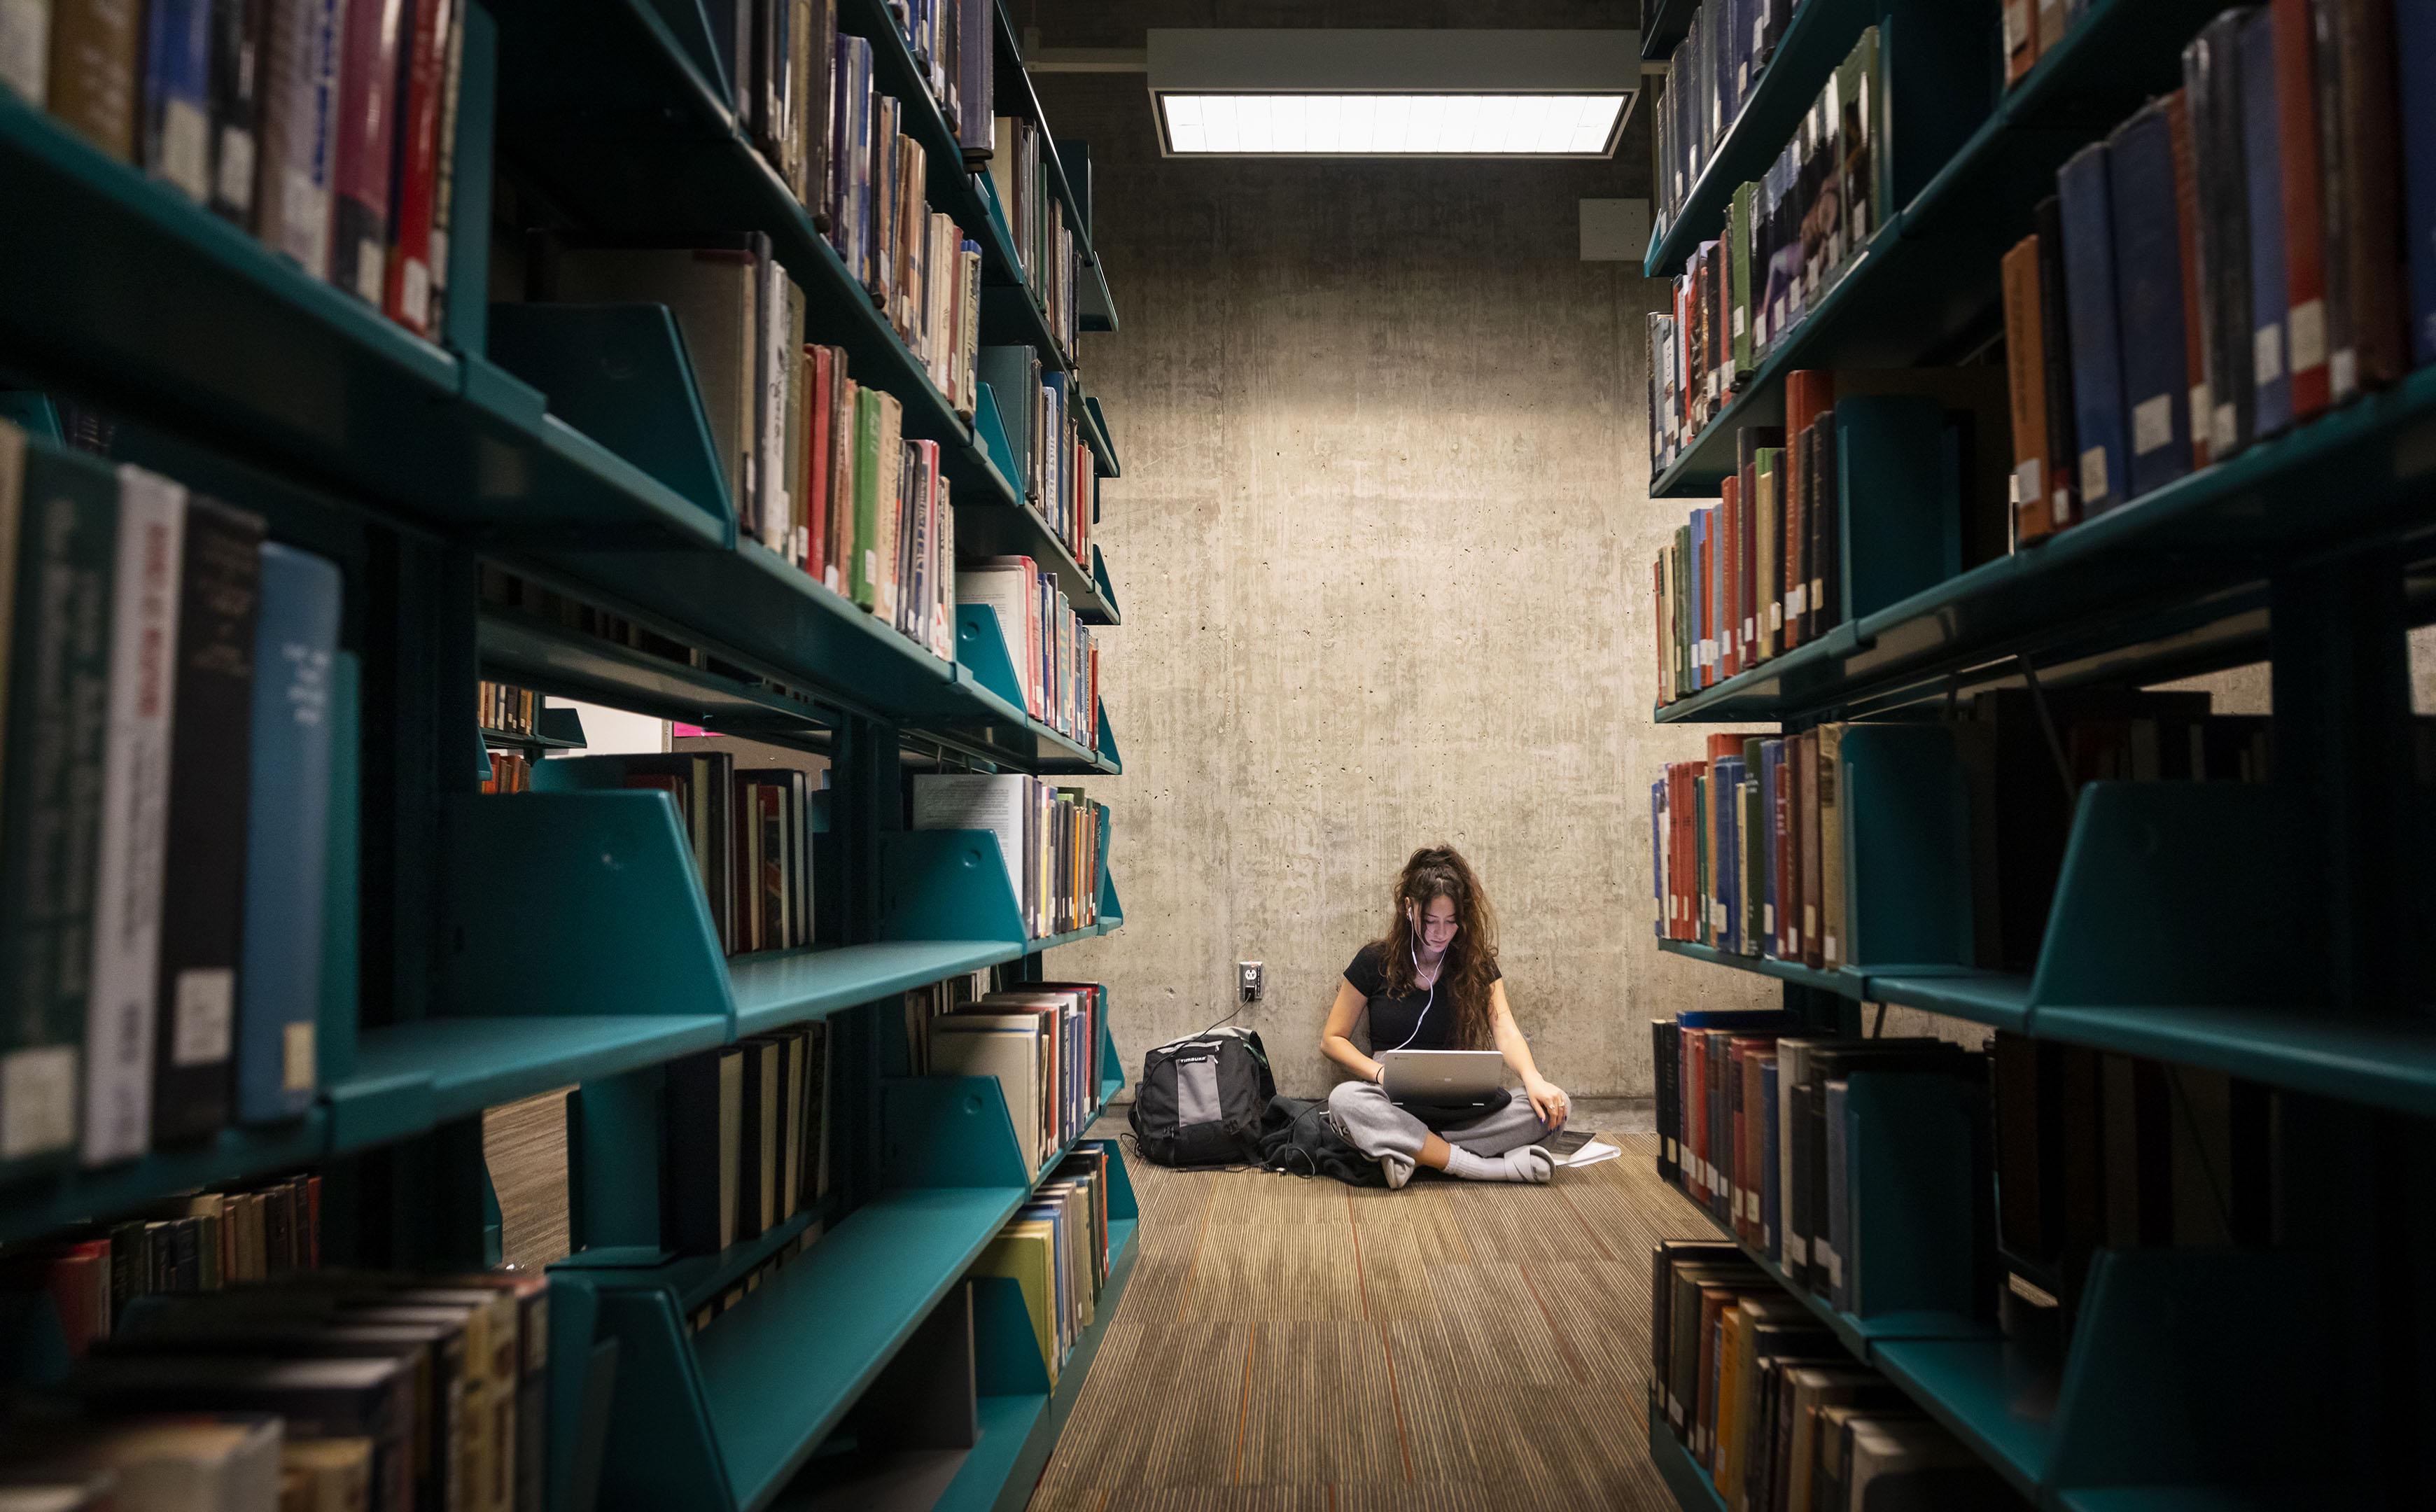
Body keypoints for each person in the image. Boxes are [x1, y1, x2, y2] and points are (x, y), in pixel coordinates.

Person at [1320, 846, 1570, 1186]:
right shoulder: (1374, 960)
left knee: (1552, 1107)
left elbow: (1505, 1030)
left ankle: (1413, 1152)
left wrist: (1533, 1078)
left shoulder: (1474, 965)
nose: (1440, 933)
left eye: (1451, 922)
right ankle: (1480, 1167)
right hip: (1392, 1101)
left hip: (1459, 1108)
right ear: (1409, 909)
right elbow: (1332, 1039)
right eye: (1431, 921)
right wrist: (1381, 1073)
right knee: (1345, 1101)